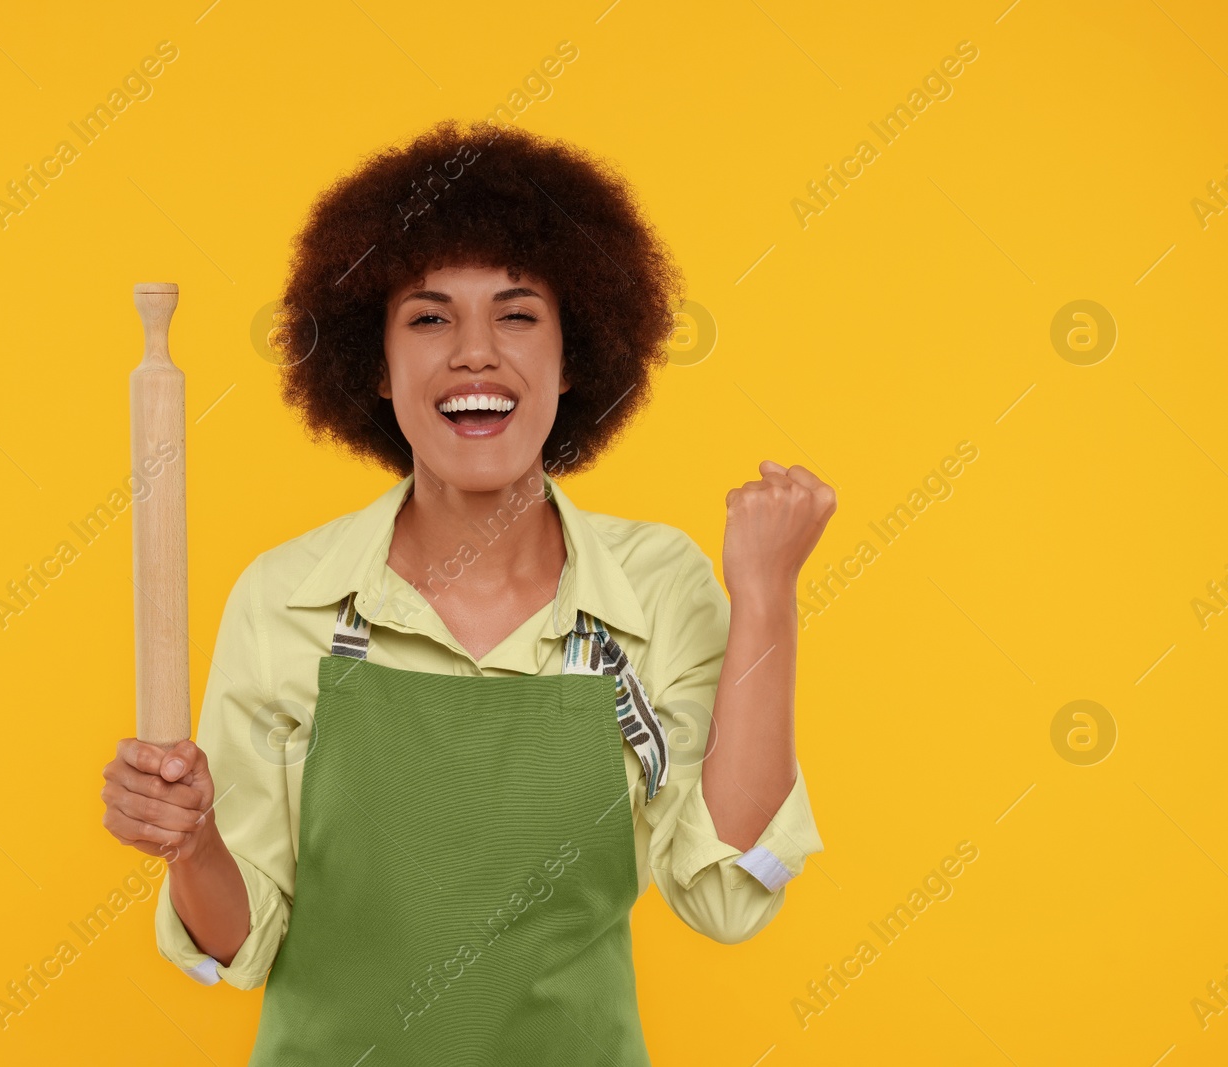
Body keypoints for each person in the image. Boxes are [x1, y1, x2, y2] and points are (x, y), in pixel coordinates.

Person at [101, 118, 835, 1064]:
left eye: (519, 314)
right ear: (374, 360)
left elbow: (727, 895)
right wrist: (191, 840)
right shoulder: (288, 598)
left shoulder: (656, 589)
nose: (476, 353)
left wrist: (767, 593)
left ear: (574, 360)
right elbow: (241, 943)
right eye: (431, 316)